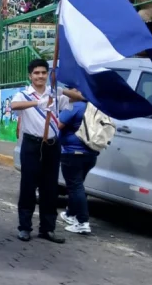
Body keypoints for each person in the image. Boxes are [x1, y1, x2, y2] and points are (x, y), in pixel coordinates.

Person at [11, 58, 83, 243]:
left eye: (44, 72)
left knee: (49, 188)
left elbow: (80, 96)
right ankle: (25, 227)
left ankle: (47, 228)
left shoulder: (56, 95)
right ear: (30, 76)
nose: (40, 76)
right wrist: (37, 103)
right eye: (36, 73)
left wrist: (58, 89)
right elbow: (14, 106)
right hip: (32, 145)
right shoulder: (24, 95)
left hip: (52, 145)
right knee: (28, 187)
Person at [58, 93, 98, 235]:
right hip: (91, 154)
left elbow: (58, 125)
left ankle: (82, 222)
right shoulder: (95, 108)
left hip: (72, 153)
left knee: (75, 186)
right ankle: (70, 214)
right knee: (78, 185)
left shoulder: (73, 107)